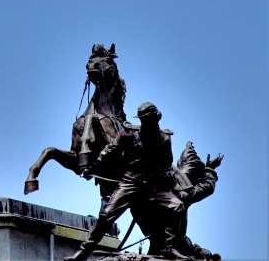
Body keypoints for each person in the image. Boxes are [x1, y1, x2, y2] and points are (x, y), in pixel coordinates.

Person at [68, 103, 219, 261]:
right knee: (106, 215)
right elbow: (110, 150)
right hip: (130, 182)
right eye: (142, 120)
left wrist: (166, 179)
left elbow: (167, 163)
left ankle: (169, 249)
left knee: (178, 207)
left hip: (152, 186)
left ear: (156, 119)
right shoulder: (128, 133)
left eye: (148, 119)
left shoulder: (165, 138)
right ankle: (83, 253)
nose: (145, 122)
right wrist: (95, 167)